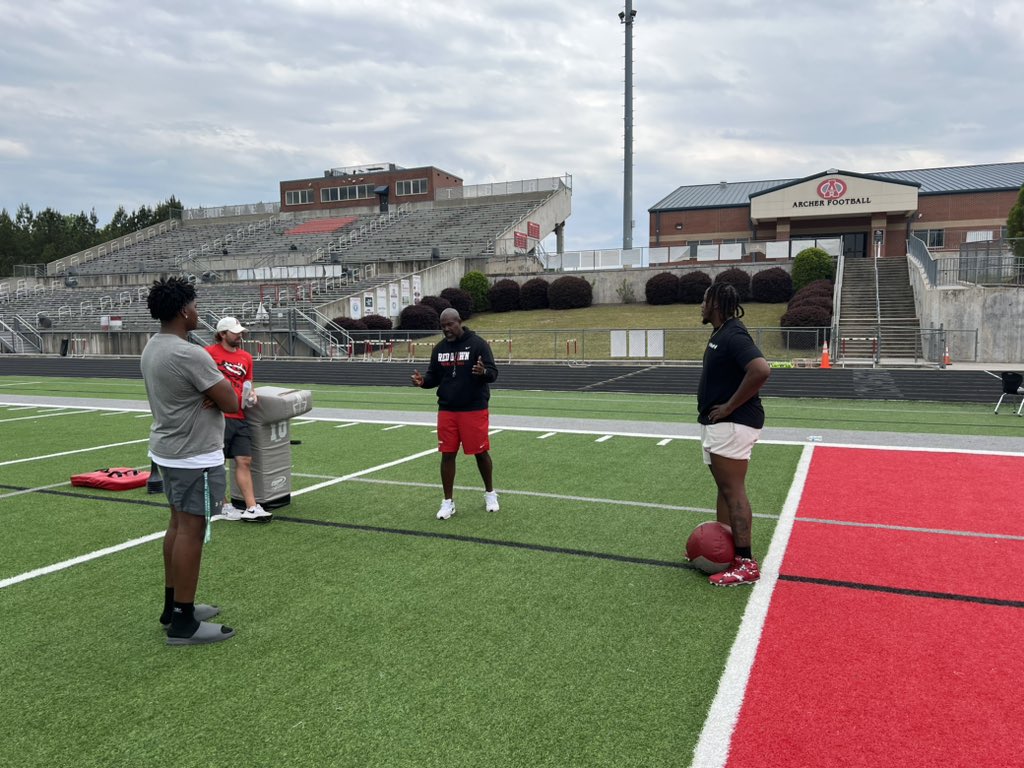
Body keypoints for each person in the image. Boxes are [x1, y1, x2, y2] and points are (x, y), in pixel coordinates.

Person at [141, 277, 239, 645]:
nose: (198, 311)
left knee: (178, 525)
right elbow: (230, 401)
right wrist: (218, 393)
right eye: (195, 306)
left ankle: (174, 606)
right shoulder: (189, 353)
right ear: (184, 311)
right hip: (193, 454)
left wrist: (213, 392)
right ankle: (184, 620)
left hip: (168, 449)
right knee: (191, 532)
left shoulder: (153, 346)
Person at [697, 283, 771, 587]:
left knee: (734, 490)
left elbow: (761, 369)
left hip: (733, 424)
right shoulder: (721, 333)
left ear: (715, 303)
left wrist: (728, 407)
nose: (700, 305)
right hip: (721, 426)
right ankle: (726, 553)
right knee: (725, 490)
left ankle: (745, 563)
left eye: (704, 300)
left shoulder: (734, 333)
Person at [411, 307, 499, 520]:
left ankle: (490, 493)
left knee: (480, 452)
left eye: (450, 324)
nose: (446, 329)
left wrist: (483, 372)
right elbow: (433, 377)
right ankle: (448, 502)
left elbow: (493, 373)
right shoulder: (439, 348)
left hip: (473, 408)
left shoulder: (478, 344)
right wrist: (423, 382)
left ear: (459, 321)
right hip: (447, 410)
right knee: (447, 454)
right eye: (443, 326)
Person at [205, 317, 271, 523]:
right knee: (217, 463)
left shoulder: (246, 357)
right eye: (235, 332)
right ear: (222, 334)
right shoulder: (208, 354)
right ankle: (223, 505)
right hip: (218, 416)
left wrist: (252, 395)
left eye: (240, 332)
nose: (240, 335)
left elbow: (248, 382)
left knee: (244, 460)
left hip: (239, 415)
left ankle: (251, 507)